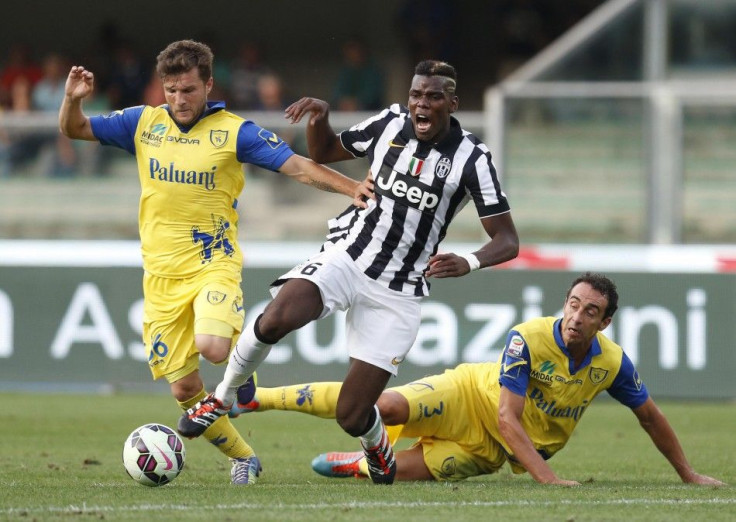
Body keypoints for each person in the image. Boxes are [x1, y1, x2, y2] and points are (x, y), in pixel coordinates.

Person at [178, 59, 520, 485]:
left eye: (434, 96)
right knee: (277, 315)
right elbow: (323, 152)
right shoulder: (390, 123)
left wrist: (468, 261)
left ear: (452, 102)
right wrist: (320, 119)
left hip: (398, 291)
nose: (422, 104)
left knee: (352, 414)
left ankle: (376, 446)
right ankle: (222, 397)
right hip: (347, 255)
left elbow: (507, 240)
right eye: (416, 95)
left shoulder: (473, 157)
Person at [59, 39, 368, 485]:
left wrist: (350, 188)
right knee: (185, 390)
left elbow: (298, 166)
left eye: (187, 90)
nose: (179, 100)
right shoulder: (141, 123)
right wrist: (71, 100)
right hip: (160, 278)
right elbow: (75, 130)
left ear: (207, 84)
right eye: (170, 90)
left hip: (212, 263)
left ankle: (241, 371)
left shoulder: (233, 131)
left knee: (214, 347)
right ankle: (244, 457)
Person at [230, 273, 725, 487]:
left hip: (492, 453)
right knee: (382, 407)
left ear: (605, 322)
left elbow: (650, 416)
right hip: (469, 396)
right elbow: (508, 418)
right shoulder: (528, 338)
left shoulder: (612, 363)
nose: (576, 316)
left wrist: (688, 473)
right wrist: (548, 481)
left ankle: (356, 465)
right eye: (573, 304)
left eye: (590, 311)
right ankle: (259, 399)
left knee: (393, 475)